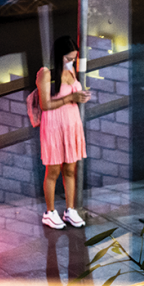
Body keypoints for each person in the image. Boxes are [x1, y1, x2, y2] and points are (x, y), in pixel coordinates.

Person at [38, 35, 91, 230]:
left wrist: (80, 97)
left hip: (71, 123)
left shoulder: (72, 72)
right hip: (53, 124)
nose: (71, 62)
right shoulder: (46, 73)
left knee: (70, 169)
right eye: (68, 58)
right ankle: (50, 212)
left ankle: (70, 209)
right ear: (59, 56)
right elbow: (45, 105)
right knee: (52, 170)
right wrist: (71, 98)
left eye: (74, 58)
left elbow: (72, 95)